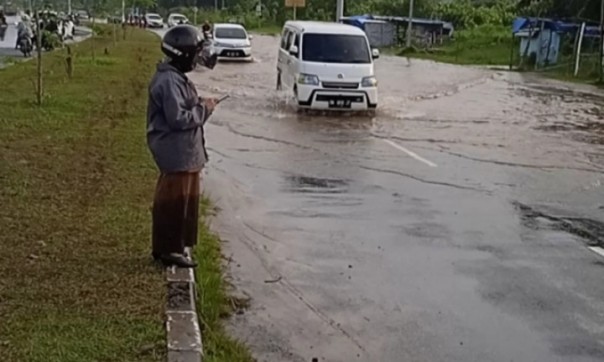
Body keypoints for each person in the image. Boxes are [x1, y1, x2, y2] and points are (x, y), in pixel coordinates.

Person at [146, 24, 218, 268]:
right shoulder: (168, 81)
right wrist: (205, 108)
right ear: (184, 55)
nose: (198, 59)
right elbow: (179, 118)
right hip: (176, 152)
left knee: (184, 201)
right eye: (195, 54)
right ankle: (169, 250)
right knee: (174, 203)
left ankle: (174, 246)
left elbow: (182, 107)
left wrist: (198, 103)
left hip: (184, 154)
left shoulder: (175, 78)